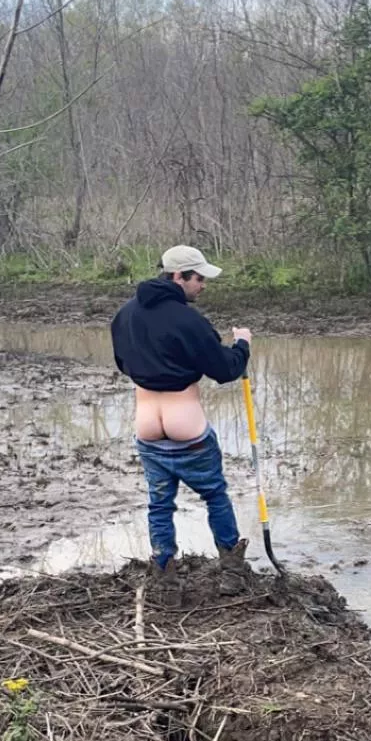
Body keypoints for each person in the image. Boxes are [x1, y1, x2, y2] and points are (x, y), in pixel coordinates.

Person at [111, 244, 253, 575]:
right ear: (178, 276)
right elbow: (225, 369)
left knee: (160, 505)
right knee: (216, 496)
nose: (203, 285)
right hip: (186, 427)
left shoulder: (124, 315)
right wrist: (243, 345)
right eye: (199, 278)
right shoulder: (189, 320)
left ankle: (164, 576)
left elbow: (123, 363)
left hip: (146, 426)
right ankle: (232, 571)